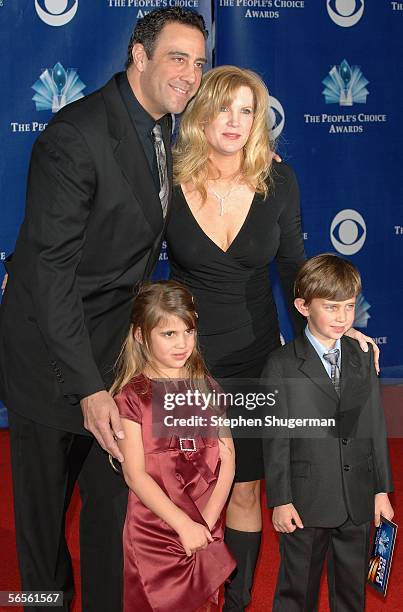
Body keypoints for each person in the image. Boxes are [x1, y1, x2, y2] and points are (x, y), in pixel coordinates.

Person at [0, 8, 207, 611]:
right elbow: (47, 273)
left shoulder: (161, 128)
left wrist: (251, 168)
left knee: (113, 517)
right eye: (176, 58)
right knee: (41, 531)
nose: (189, 75)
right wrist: (88, 389)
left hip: (114, 361)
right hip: (51, 360)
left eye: (197, 63)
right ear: (138, 56)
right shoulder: (77, 135)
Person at [166, 65, 380, 611]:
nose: (235, 122)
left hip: (256, 358)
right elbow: (124, 249)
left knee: (244, 487)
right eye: (224, 108)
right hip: (185, 362)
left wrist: (337, 326)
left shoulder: (277, 180)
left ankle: (234, 604)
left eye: (248, 111)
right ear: (200, 113)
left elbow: (292, 268)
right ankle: (182, 596)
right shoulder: (166, 175)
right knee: (182, 488)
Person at [262, 254, 394, 611]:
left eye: (349, 307)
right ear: (303, 306)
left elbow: (374, 425)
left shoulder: (362, 355)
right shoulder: (282, 364)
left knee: (351, 595)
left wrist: (382, 490)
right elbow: (275, 440)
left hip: (358, 499)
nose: (342, 317)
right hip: (305, 501)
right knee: (296, 593)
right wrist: (280, 499)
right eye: (332, 307)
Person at [111, 280, 236, 612]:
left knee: (207, 604)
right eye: (169, 334)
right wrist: (183, 525)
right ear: (141, 335)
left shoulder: (209, 389)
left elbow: (228, 460)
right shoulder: (133, 398)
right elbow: (135, 475)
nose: (182, 343)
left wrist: (206, 522)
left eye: (189, 331)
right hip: (155, 528)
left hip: (206, 519)